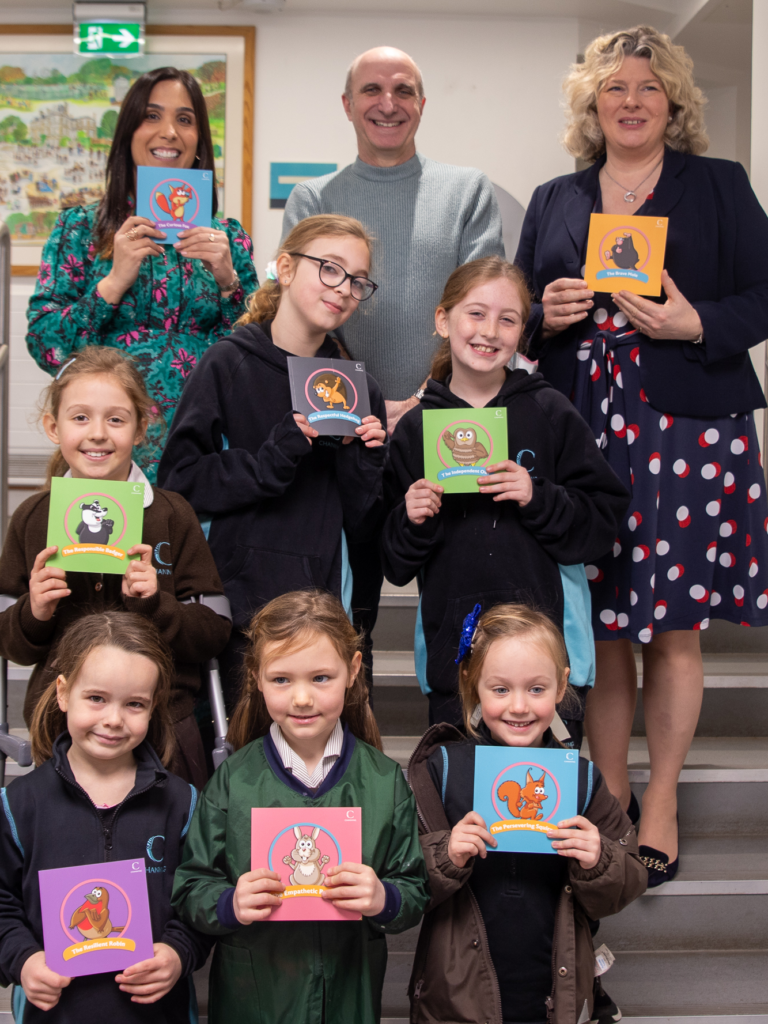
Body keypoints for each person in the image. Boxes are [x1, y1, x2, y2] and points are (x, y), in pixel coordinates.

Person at [514, 24, 768, 885]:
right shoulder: (555, 197)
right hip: (583, 423)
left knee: (675, 628)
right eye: (614, 90)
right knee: (601, 629)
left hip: (690, 427)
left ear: (675, 105)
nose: (631, 102)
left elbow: (764, 292)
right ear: (591, 106)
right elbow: (518, 319)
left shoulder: (719, 185)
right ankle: (610, 799)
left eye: (648, 89)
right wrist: (545, 312)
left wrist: (697, 322)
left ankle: (661, 799)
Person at [283, 46, 505, 666]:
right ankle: (348, 746)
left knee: (465, 609)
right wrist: (374, 408)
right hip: (343, 432)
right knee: (344, 616)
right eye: (372, 90)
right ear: (348, 105)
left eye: (404, 90)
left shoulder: (467, 191)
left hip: (448, 426)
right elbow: (306, 313)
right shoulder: (314, 196)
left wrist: (423, 403)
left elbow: (479, 308)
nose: (388, 103)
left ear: (423, 105)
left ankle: (456, 746)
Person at [381, 257, 628, 728]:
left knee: (545, 795)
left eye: (508, 319)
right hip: (456, 660)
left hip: (550, 662)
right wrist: (410, 517)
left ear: (522, 331)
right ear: (442, 320)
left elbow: (603, 520)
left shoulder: (550, 410)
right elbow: (393, 564)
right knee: (460, 795)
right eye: (475, 313)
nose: (489, 331)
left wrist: (537, 496)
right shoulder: (415, 430)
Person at [171, 590, 430, 1024]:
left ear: (353, 670)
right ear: (256, 677)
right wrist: (229, 903)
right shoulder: (234, 781)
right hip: (254, 999)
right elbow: (190, 883)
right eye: (282, 679)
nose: (302, 698)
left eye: (321, 678)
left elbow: (415, 889)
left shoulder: (385, 782)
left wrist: (383, 897)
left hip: (349, 995)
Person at [158, 215, 387, 705]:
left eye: (358, 281)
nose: (344, 288)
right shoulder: (227, 362)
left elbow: (365, 524)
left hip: (324, 612)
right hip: (242, 610)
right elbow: (180, 479)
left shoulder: (358, 387)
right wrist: (271, 459)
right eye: (330, 269)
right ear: (285, 268)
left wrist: (366, 462)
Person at [0, 347, 231, 788]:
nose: (98, 434)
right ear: (54, 427)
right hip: (62, 721)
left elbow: (215, 629)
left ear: (142, 428)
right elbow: (11, 643)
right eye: (81, 418)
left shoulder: (171, 514)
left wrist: (158, 606)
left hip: (163, 722)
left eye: (117, 419)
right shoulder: (33, 519)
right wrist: (35, 612)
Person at [406, 603, 647, 1024]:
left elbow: (631, 876)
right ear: (472, 684)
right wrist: (446, 854)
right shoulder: (441, 771)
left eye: (536, 689)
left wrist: (599, 859)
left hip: (553, 991)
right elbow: (401, 881)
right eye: (500, 690)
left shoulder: (581, 779)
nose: (519, 706)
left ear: (561, 686)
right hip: (456, 997)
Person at [25, 66, 258, 481]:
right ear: (127, 133)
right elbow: (47, 346)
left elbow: (256, 357)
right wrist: (113, 283)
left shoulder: (228, 239)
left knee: (188, 547)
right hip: (106, 456)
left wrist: (229, 284)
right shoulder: (80, 230)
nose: (169, 131)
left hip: (204, 451)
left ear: (199, 142)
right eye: (152, 116)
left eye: (184, 120)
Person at [0, 612, 212, 1024]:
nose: (114, 719)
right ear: (63, 693)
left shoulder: (182, 802)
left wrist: (177, 951)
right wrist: (23, 961)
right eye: (96, 698)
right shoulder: (19, 804)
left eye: (134, 704)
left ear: (153, 707)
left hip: (158, 1014)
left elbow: (200, 897)